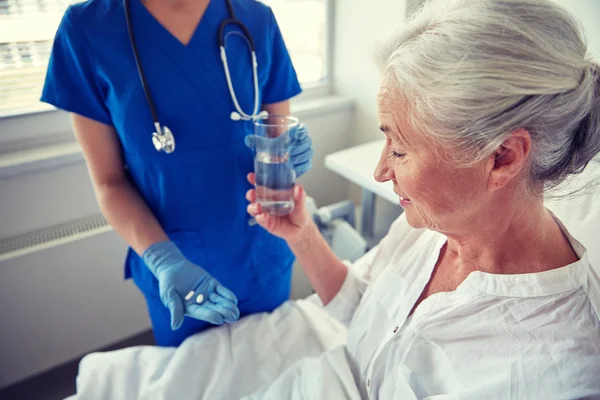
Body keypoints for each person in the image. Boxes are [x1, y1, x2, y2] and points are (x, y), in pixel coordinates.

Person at [246, 0, 600, 397]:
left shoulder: (555, 372)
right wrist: (302, 235)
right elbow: (362, 305)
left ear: (502, 157)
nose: (380, 171)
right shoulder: (432, 224)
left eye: (399, 150)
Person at [40, 0, 314, 347]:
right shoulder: (86, 27)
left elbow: (275, 137)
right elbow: (109, 182)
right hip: (174, 265)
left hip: (260, 249)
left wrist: (290, 153)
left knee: (272, 369)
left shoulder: (255, 18)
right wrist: (163, 259)